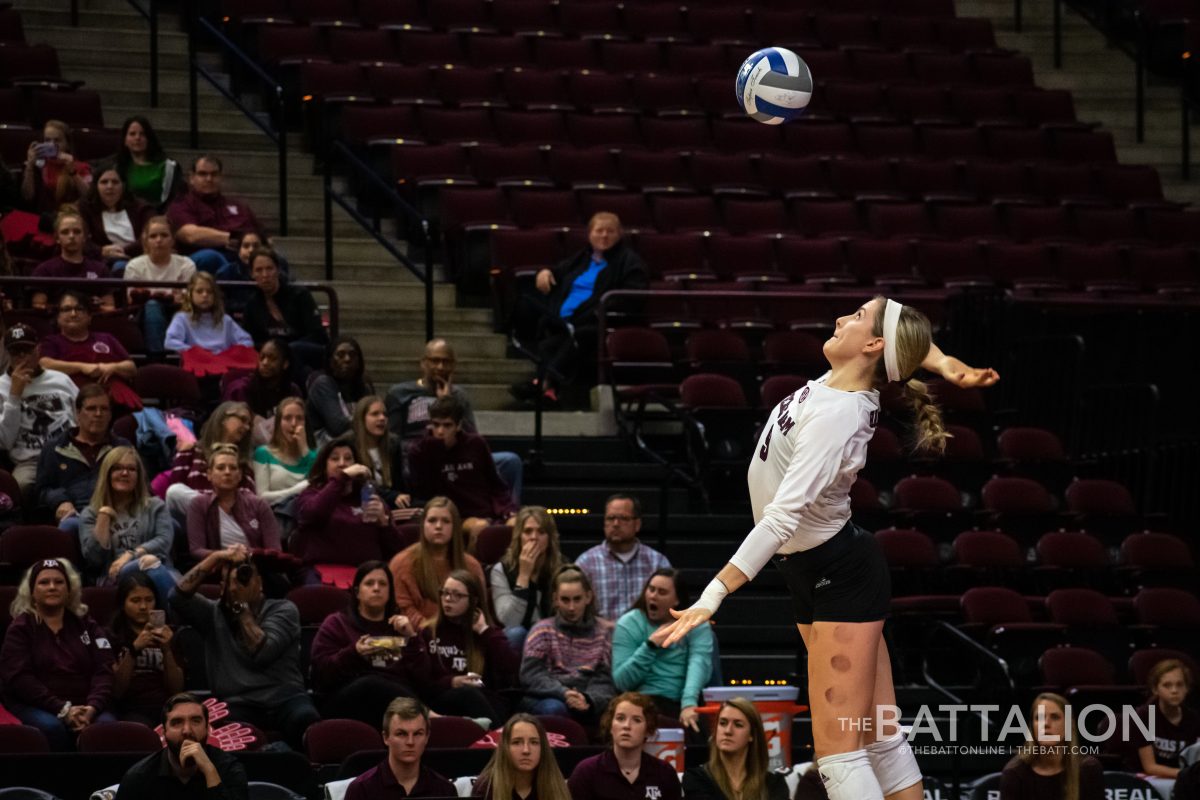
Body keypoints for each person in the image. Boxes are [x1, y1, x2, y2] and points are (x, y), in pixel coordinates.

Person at [658, 296, 1001, 800]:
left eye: (856, 317)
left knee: (838, 755)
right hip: (819, 567)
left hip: (835, 571)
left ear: (873, 345)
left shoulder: (838, 416)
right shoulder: (840, 384)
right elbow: (908, 339)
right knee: (880, 737)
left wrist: (714, 594)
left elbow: (781, 517)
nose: (841, 319)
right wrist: (948, 364)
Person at [169, 546, 320, 748]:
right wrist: (214, 558)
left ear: (259, 583)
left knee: (308, 720)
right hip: (238, 702)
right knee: (229, 731)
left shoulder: (283, 609)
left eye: (244, 577)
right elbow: (176, 596)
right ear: (221, 587)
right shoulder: (212, 613)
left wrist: (241, 607)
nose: (236, 586)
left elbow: (262, 651)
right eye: (230, 581)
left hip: (285, 698)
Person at [512, 211, 647, 408]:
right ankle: (549, 392)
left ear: (619, 234)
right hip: (564, 321)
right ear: (589, 234)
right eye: (599, 231)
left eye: (610, 231)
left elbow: (632, 296)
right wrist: (545, 271)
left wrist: (595, 312)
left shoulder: (630, 262)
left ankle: (544, 383)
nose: (604, 236)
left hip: (597, 322)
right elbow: (559, 271)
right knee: (546, 339)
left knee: (578, 336)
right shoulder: (583, 257)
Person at [387, 337, 523, 502]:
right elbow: (393, 439)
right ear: (423, 363)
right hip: (418, 457)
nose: (440, 367)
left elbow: (471, 436)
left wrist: (448, 401)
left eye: (446, 362)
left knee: (510, 462)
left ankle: (511, 515)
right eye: (435, 361)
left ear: (454, 365)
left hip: (457, 454)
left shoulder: (459, 395)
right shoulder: (401, 393)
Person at [0, 558, 116, 750]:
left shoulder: (86, 624)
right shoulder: (20, 628)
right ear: (32, 591)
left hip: (86, 704)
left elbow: (104, 669)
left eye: (59, 582)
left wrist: (93, 707)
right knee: (52, 727)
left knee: (107, 728)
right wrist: (62, 709)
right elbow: (20, 679)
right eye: (44, 582)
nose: (52, 587)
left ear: (69, 589)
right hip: (37, 705)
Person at [309, 561, 430, 728]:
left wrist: (412, 638)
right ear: (357, 592)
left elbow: (423, 679)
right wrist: (354, 653)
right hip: (349, 701)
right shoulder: (337, 624)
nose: (376, 588)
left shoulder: (401, 627)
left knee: (463, 695)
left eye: (382, 584)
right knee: (371, 683)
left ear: (390, 592)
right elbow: (321, 675)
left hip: (400, 702)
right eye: (369, 583)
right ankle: (431, 718)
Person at [407, 396, 517, 547]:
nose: (440, 431)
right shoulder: (419, 451)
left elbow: (496, 485)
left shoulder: (476, 444)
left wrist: (509, 512)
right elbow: (424, 493)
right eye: (436, 425)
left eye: (447, 426)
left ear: (458, 426)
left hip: (485, 510)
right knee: (480, 527)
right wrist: (435, 450)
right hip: (453, 516)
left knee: (518, 524)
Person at [292, 437, 405, 584]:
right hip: (321, 572)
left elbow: (398, 550)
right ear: (324, 466)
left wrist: (385, 525)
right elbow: (313, 514)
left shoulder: (370, 498)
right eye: (334, 458)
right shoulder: (311, 495)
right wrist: (342, 478)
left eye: (348, 458)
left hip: (367, 575)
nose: (342, 463)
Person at [613, 568, 712, 731]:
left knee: (696, 728)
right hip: (641, 702)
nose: (653, 596)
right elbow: (622, 682)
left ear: (677, 600)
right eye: (651, 589)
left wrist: (688, 704)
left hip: (682, 701)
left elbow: (698, 664)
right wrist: (650, 645)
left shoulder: (696, 624)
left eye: (662, 592)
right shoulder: (628, 623)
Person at [78, 447, 178, 602]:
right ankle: (176, 622)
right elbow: (94, 560)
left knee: (157, 567)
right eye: (118, 468)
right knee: (150, 564)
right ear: (107, 474)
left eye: (131, 469)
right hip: (115, 575)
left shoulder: (155, 506)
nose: (125, 473)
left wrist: (131, 554)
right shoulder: (91, 514)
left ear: (138, 476)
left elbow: (164, 540)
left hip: (160, 567)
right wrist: (104, 516)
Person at [519, 565, 615, 723]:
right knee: (555, 708)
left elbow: (604, 680)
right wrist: (563, 692)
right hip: (547, 698)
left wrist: (587, 699)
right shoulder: (541, 631)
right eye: (565, 600)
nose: (571, 607)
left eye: (577, 599)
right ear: (555, 599)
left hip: (587, 699)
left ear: (588, 597)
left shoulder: (602, 634)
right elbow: (531, 676)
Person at [423, 570, 518, 722]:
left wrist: (484, 631)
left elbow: (510, 668)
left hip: (482, 699)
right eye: (445, 593)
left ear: (474, 600)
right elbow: (421, 682)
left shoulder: (486, 633)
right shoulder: (428, 632)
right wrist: (453, 682)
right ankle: (496, 739)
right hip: (443, 699)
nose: (448, 599)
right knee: (467, 694)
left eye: (457, 595)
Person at [36, 384, 130, 537]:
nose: (98, 414)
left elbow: (141, 485)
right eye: (91, 409)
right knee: (69, 526)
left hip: (118, 515)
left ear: (110, 415)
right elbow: (43, 489)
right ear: (78, 413)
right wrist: (60, 501)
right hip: (75, 515)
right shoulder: (54, 448)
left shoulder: (122, 447)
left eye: (104, 409)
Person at [116, 692, 249, 799]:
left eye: (196, 721)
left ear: (207, 729)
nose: (187, 731)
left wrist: (209, 770)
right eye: (177, 722)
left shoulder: (229, 769)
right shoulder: (139, 777)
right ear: (164, 732)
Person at [0, 323, 79, 499]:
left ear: (38, 349)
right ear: (7, 354)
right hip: (31, 461)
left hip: (69, 452)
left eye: (27, 351)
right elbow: (4, 441)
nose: (22, 358)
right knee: (16, 490)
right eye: (15, 352)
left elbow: (80, 419)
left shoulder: (61, 380)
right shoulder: (1, 387)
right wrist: (14, 395)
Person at [389, 496, 488, 627]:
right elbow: (404, 610)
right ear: (423, 524)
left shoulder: (471, 565)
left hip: (463, 636)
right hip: (419, 637)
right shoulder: (402, 563)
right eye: (432, 520)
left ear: (455, 526)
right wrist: (435, 632)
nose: (439, 526)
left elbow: (478, 609)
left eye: (446, 521)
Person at [567, 692, 682, 800]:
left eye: (637, 720)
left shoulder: (665, 773)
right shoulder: (586, 772)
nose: (626, 726)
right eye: (620, 718)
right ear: (611, 726)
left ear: (648, 730)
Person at [38, 288, 140, 408]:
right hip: (73, 400)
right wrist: (82, 367)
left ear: (89, 317)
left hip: (114, 400)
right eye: (66, 309)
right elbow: (44, 364)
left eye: (79, 309)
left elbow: (131, 367)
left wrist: (112, 367)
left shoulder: (106, 338)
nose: (73, 314)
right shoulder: (51, 342)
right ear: (58, 318)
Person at [575, 494, 669, 621]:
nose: (616, 524)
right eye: (610, 518)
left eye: (623, 518)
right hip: (601, 638)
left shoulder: (657, 563)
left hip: (646, 637)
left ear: (637, 524)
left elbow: (669, 610)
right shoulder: (586, 563)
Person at [107, 572, 185, 725]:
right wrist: (134, 650)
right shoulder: (111, 636)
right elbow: (116, 691)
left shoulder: (169, 635)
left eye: (149, 600)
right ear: (123, 603)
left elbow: (176, 690)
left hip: (166, 707)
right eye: (135, 600)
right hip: (129, 709)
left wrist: (167, 650)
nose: (143, 607)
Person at [166, 155, 262, 277]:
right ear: (192, 178)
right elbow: (191, 235)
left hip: (243, 258)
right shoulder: (181, 205)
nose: (209, 179)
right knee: (210, 257)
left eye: (214, 174)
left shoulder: (238, 206)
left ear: (221, 177)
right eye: (202, 174)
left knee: (275, 260)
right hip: (200, 262)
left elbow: (263, 237)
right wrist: (232, 238)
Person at [344, 697, 456, 800]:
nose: (410, 742)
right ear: (386, 738)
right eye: (401, 734)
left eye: (417, 734)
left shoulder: (445, 790)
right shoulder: (361, 789)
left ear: (427, 737)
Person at [164, 400, 256, 524]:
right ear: (224, 418)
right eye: (243, 420)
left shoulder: (243, 462)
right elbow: (177, 494)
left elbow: (248, 502)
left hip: (227, 522)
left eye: (249, 424)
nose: (247, 427)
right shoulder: (192, 451)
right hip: (193, 519)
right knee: (175, 491)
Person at [186, 443, 281, 562]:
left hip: (257, 570)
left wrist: (247, 553)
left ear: (240, 475)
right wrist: (225, 555)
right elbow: (196, 550)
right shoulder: (198, 505)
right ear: (209, 474)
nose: (227, 472)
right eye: (220, 468)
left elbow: (275, 550)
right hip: (216, 571)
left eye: (233, 468)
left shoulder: (259, 504)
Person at [1000, 693, 1104, 800]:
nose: (1046, 723)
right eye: (1039, 718)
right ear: (1032, 726)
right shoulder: (1015, 773)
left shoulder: (1088, 769)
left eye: (1055, 717)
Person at [682, 698, 790, 800]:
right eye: (723, 723)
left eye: (738, 725)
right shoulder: (696, 779)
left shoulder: (774, 784)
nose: (728, 731)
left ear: (751, 735)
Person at [242, 246, 327, 374]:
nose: (265, 275)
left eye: (269, 269)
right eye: (259, 270)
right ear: (252, 274)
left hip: (304, 350)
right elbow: (251, 340)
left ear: (277, 270)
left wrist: (284, 349)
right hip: (271, 356)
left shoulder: (300, 295)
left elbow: (317, 334)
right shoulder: (252, 304)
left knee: (294, 351)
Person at [490, 506, 563, 650]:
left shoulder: (562, 568)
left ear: (549, 538)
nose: (534, 537)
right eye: (528, 531)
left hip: (553, 635)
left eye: (541, 532)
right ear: (519, 537)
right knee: (515, 634)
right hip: (519, 636)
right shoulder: (501, 570)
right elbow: (510, 621)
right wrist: (524, 576)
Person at [123, 215, 196, 355]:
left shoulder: (186, 264)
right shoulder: (134, 266)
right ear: (146, 241)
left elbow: (190, 298)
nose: (159, 240)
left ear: (172, 240)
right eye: (153, 236)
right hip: (144, 314)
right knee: (152, 306)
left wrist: (153, 295)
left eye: (164, 235)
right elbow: (132, 298)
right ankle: (157, 358)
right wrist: (168, 296)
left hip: (178, 310)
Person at [1130, 659, 1200, 799]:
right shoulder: (1142, 716)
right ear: (1155, 689)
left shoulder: (1194, 719)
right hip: (1148, 781)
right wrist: (1187, 776)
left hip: (1180, 779)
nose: (1174, 690)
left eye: (1180, 685)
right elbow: (1150, 766)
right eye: (1167, 685)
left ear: (1187, 688)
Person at [165, 272, 257, 376]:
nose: (205, 295)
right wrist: (194, 352)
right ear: (190, 294)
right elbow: (170, 341)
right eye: (199, 291)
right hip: (196, 366)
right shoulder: (182, 318)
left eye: (209, 292)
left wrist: (228, 354)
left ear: (215, 296)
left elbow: (246, 341)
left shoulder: (225, 320)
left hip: (223, 365)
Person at [471, 713, 572, 800]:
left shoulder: (556, 785)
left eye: (534, 742)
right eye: (516, 742)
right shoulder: (486, 787)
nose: (526, 750)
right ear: (505, 748)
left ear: (543, 748)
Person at [30, 209, 115, 310]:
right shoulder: (44, 270)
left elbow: (110, 307)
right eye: (65, 232)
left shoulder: (100, 270)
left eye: (77, 232)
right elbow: (38, 306)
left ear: (85, 237)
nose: (71, 236)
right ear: (57, 238)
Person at [224, 337, 302, 443]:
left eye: (272, 358)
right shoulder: (242, 389)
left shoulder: (292, 391)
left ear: (285, 364)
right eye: (262, 357)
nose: (265, 363)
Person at [78, 162, 153, 271]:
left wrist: (123, 250)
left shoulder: (141, 208)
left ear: (123, 185)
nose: (110, 186)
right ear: (96, 186)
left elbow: (151, 234)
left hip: (140, 257)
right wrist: (101, 250)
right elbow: (81, 239)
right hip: (102, 261)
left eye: (115, 182)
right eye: (104, 182)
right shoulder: (86, 208)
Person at [352, 394, 413, 518]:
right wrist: (393, 496)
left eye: (385, 414)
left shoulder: (393, 444)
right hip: (363, 505)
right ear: (362, 419)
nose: (382, 418)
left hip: (391, 503)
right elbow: (360, 486)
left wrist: (401, 496)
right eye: (375, 414)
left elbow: (399, 483)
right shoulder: (350, 445)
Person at [252, 396, 313, 517]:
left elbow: (317, 490)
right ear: (278, 423)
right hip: (276, 518)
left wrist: (304, 447)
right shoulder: (263, 453)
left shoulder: (313, 456)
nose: (294, 423)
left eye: (299, 418)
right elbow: (262, 497)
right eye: (287, 418)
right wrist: (295, 491)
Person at [308, 335, 374, 445]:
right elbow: (338, 427)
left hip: (357, 444)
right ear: (330, 360)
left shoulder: (365, 387)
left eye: (352, 355)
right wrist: (368, 423)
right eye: (340, 355)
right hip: (327, 448)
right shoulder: (323, 384)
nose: (347, 359)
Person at [21, 119, 92, 213]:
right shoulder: (38, 166)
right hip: (43, 218)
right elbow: (28, 196)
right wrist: (30, 165)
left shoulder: (80, 167)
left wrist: (73, 172)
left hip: (71, 217)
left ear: (67, 144)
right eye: (47, 140)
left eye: (57, 140)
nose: (51, 144)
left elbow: (90, 196)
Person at [115, 116, 183, 209]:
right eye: (132, 134)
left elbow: (176, 200)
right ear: (125, 140)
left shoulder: (168, 167)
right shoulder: (117, 167)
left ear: (149, 138)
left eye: (142, 134)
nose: (137, 138)